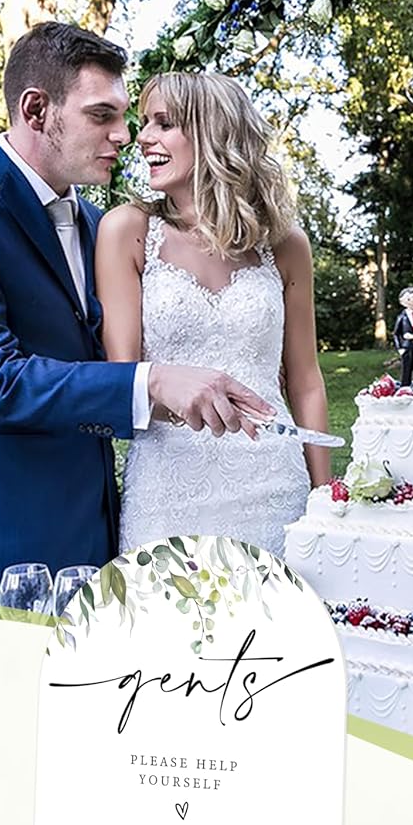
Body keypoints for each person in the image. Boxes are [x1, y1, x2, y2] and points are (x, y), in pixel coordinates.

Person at [0, 23, 272, 602]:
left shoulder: (99, 225)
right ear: (36, 110)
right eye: (101, 115)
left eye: (124, 115)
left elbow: (103, 360)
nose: (126, 135)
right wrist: (154, 381)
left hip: (96, 536)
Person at [97, 71, 331, 556]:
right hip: (166, 492)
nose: (143, 138)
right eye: (146, 123)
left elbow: (306, 380)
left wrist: (324, 497)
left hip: (274, 485)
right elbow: (124, 378)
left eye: (164, 123)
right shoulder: (126, 230)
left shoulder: (286, 245)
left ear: (213, 132)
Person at [391, 286, 413, 387]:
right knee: (406, 367)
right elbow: (396, 333)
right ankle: (405, 385)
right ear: (402, 301)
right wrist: (399, 348)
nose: (412, 302)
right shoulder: (402, 317)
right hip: (406, 346)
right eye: (409, 299)